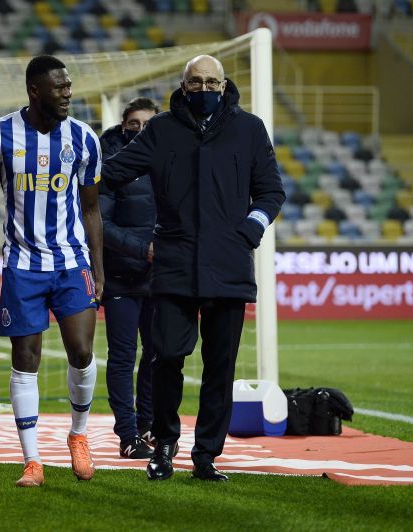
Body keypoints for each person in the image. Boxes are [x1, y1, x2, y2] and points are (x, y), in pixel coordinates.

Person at [102, 55, 285, 482]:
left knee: (220, 367)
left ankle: (206, 456)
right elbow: (112, 173)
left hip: (229, 266)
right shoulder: (161, 130)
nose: (204, 89)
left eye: (211, 82)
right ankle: (164, 447)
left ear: (224, 86)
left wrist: (248, 231)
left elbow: (271, 191)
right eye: (196, 82)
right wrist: (97, 150)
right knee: (165, 357)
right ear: (183, 87)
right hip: (174, 265)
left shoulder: (250, 129)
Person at [0, 55, 104, 488]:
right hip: (22, 266)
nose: (68, 93)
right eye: (60, 87)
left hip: (72, 262)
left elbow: (92, 209)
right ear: (35, 90)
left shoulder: (84, 138)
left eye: (69, 86)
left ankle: (78, 435)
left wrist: (100, 267)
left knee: (81, 352)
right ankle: (33, 461)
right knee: (26, 359)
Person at [98, 97, 160, 459]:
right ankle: (127, 432)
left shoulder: (171, 159)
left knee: (157, 354)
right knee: (123, 356)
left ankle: (148, 424)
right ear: (124, 126)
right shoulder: (109, 164)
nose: (140, 129)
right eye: (134, 123)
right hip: (121, 275)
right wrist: (143, 249)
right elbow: (101, 224)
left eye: (148, 123)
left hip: (161, 276)